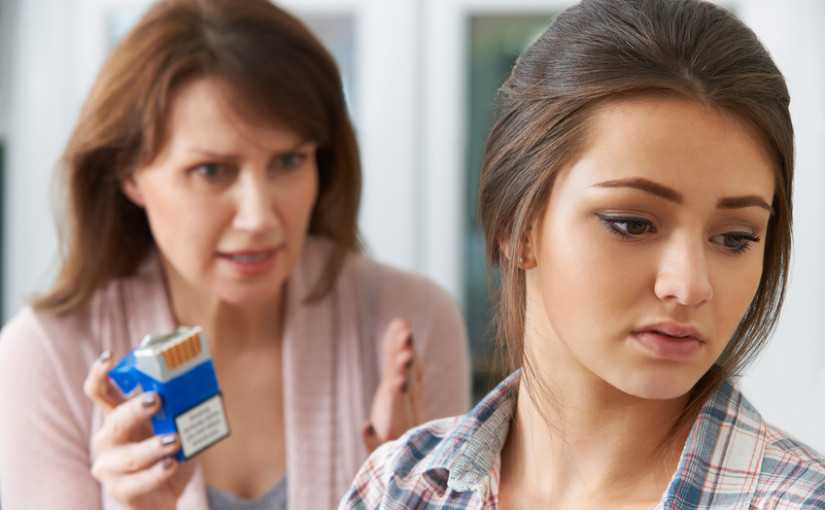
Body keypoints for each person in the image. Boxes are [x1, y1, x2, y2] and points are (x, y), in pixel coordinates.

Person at [341, 0, 825, 508]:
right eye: (632, 224)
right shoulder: (399, 485)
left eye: (735, 238)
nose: (690, 285)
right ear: (517, 225)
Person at [0, 1, 470, 509]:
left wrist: (400, 493)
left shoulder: (414, 320)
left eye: (289, 160)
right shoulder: (44, 357)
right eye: (211, 171)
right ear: (130, 173)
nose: (259, 217)